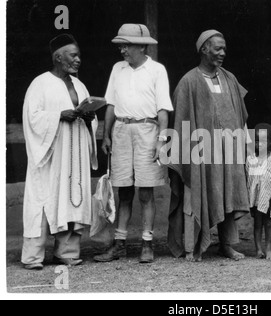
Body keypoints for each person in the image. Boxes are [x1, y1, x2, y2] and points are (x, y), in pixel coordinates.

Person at [168, 30, 250, 262]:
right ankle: (193, 245)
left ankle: (226, 245)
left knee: (229, 194)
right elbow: (181, 122)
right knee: (199, 192)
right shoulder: (188, 81)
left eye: (224, 49)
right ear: (204, 49)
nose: (223, 53)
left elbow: (240, 115)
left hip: (229, 151)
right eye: (217, 49)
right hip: (200, 152)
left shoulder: (229, 78)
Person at [94, 24, 173, 264]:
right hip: (120, 131)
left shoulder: (157, 70)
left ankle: (147, 243)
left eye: (126, 45)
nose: (122, 50)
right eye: (121, 45)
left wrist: (161, 141)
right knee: (123, 191)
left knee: (146, 191)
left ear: (141, 46)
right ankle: (119, 244)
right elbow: (110, 105)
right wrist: (106, 135)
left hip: (147, 130)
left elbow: (163, 110)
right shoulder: (117, 69)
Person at [21, 34, 98, 270]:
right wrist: (58, 116)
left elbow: (90, 119)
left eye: (79, 56)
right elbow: (31, 118)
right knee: (44, 198)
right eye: (73, 55)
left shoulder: (79, 85)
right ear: (58, 57)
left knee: (72, 198)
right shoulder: (40, 83)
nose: (78, 60)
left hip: (74, 155)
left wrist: (88, 117)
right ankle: (33, 256)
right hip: (51, 155)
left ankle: (66, 252)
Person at [246, 123, 271, 260]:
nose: (259, 144)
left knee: (268, 224)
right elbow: (247, 179)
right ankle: (258, 250)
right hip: (255, 198)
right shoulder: (250, 159)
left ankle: (268, 249)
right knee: (257, 224)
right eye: (256, 141)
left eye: (263, 141)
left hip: (268, 198)